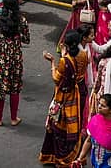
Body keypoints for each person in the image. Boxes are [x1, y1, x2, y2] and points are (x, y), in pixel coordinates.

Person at [40, 31, 88, 165]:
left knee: (58, 125)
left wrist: (52, 63)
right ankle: (72, 154)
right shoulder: (83, 55)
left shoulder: (64, 61)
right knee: (74, 124)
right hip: (79, 94)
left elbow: (57, 79)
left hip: (65, 96)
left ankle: (59, 157)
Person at [0, 0, 29, 127]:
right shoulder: (22, 21)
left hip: (0, 59)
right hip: (15, 59)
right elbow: (26, 39)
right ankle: (14, 118)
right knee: (14, 88)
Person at [74, 92, 111, 168]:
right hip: (95, 163)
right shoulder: (95, 120)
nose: (99, 107)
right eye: (99, 104)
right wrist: (80, 158)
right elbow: (88, 140)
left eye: (103, 106)